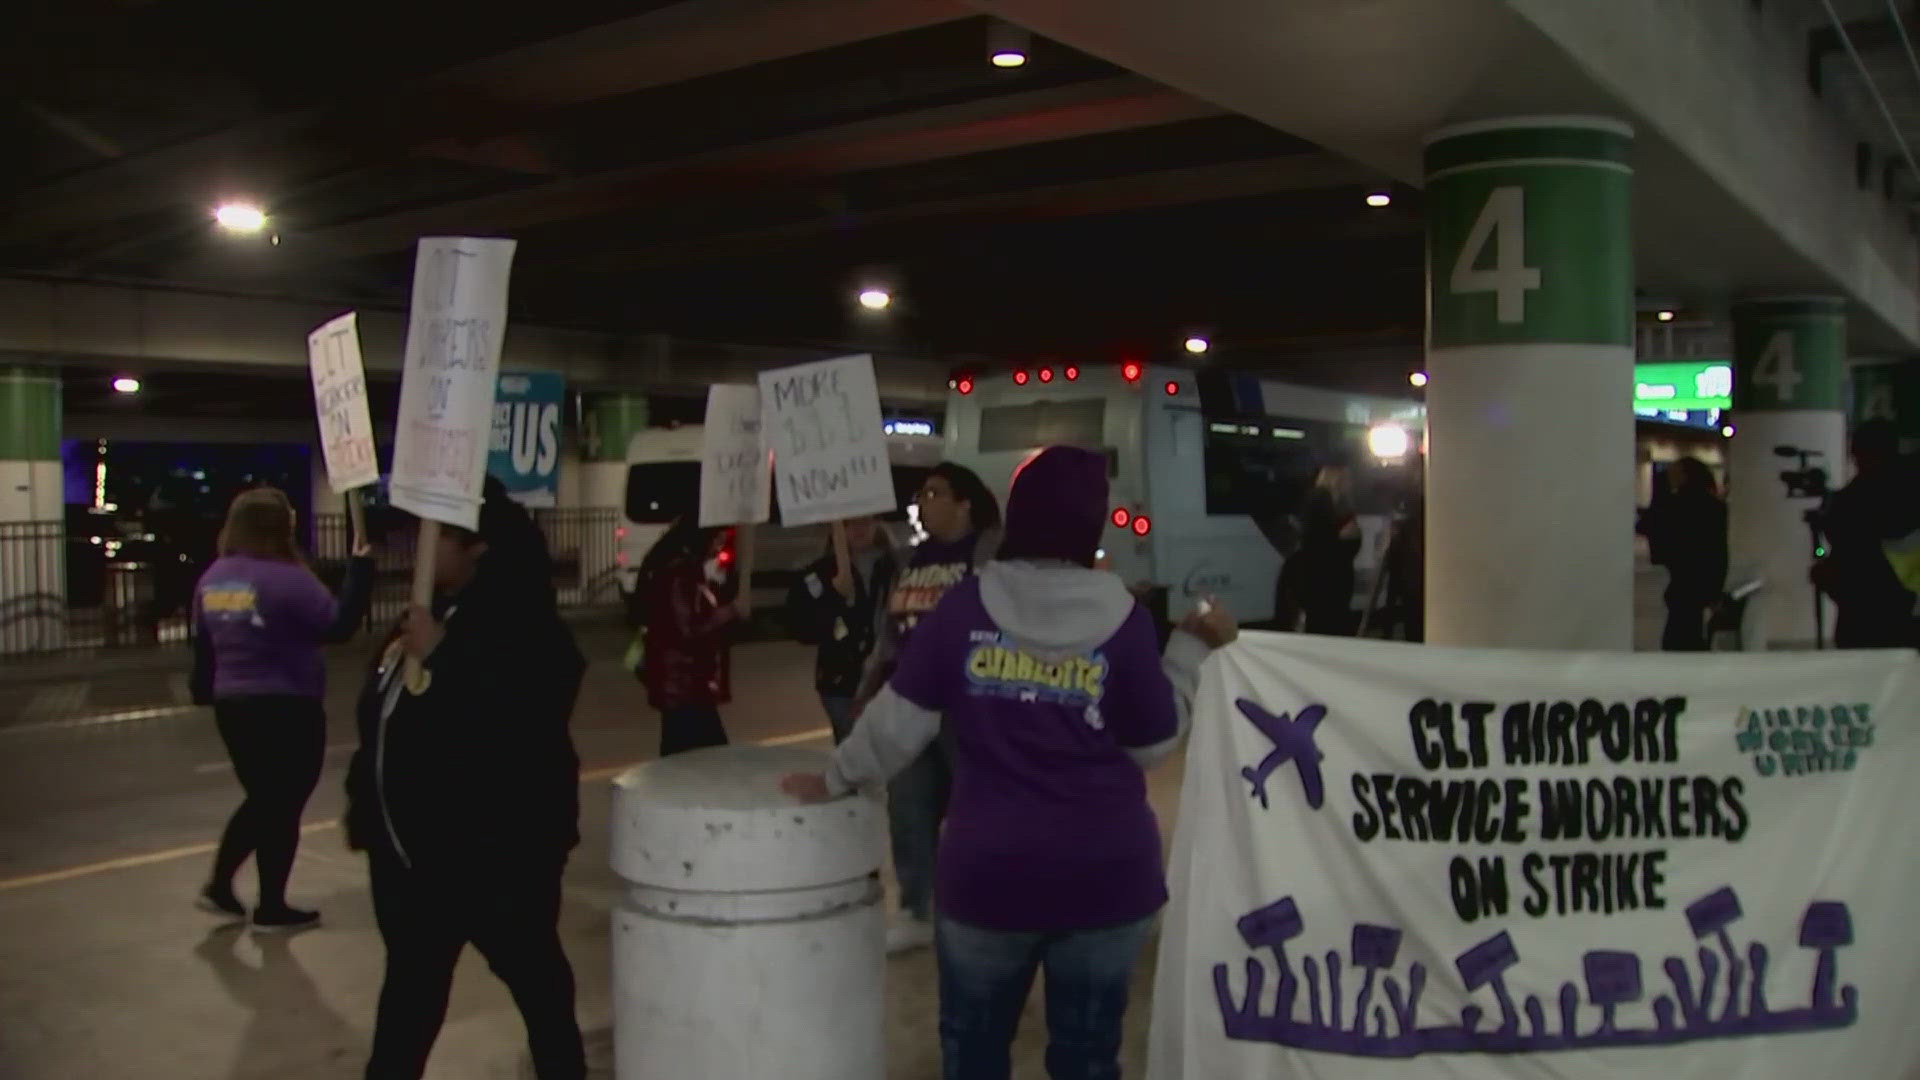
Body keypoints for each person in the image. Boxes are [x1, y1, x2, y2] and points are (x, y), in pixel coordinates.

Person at [782, 445, 1237, 1080]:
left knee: (973, 1053)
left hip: (988, 876)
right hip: (1104, 879)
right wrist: (1189, 650)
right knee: (1085, 1056)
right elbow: (1152, 742)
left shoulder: (964, 609)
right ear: (1092, 523)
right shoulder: (1123, 618)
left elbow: (896, 722)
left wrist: (835, 778)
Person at [345, 478, 587, 1080]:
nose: (412, 551)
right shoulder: (427, 614)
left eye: (432, 539)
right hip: (415, 858)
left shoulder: (520, 619)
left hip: (495, 854)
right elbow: (387, 720)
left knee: (536, 983)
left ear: (475, 545)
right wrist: (366, 804)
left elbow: (523, 715)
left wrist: (448, 655)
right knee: (411, 995)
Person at [192, 486, 372, 930]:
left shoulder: (214, 578)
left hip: (232, 705)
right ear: (280, 529)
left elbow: (204, 647)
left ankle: (220, 885)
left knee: (264, 799)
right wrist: (361, 570)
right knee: (282, 804)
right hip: (287, 704)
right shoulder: (286, 578)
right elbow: (339, 625)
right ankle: (271, 905)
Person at [856, 462, 1001, 954]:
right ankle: (919, 909)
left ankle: (981, 906)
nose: (923, 503)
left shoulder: (991, 554)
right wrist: (872, 681)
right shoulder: (911, 560)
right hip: (913, 701)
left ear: (965, 503)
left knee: (976, 811)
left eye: (936, 493)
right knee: (910, 808)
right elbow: (890, 628)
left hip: (971, 707)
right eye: (920, 494)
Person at [638, 517, 749, 756]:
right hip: (684, 688)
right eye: (718, 538)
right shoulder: (679, 573)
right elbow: (688, 629)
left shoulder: (688, 570)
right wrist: (731, 612)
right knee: (702, 759)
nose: (721, 545)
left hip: (689, 687)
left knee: (687, 758)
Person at [785, 515, 899, 743]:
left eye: (865, 521)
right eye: (848, 523)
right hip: (841, 681)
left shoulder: (897, 566)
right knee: (854, 748)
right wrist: (835, 595)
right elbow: (801, 628)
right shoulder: (817, 574)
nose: (858, 529)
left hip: (890, 677)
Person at [1813, 421, 1920, 649]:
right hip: (1908, 614)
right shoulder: (1908, 485)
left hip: (1865, 617)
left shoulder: (1857, 498)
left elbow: (1848, 553)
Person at [1638, 457, 1728, 651]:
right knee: (1691, 630)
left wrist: (1660, 490)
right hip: (1703, 577)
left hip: (1683, 577)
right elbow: (1719, 550)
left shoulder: (1675, 504)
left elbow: (1647, 525)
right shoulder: (1715, 506)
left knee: (1678, 635)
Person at [1285, 460, 1362, 635]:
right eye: (1347, 479)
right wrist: (1346, 536)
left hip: (1328, 582)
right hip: (1325, 583)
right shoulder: (1321, 501)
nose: (1350, 483)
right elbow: (1322, 544)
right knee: (1327, 626)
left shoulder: (1331, 502)